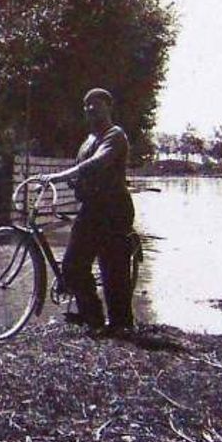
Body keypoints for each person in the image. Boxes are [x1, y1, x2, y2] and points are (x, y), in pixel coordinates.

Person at [39, 88, 136, 335]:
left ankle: (120, 324)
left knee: (113, 268)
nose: (90, 109)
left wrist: (60, 175)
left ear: (108, 106)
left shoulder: (115, 135)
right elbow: (82, 173)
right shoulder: (88, 141)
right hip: (91, 208)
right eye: (86, 105)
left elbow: (97, 163)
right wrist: (66, 182)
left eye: (96, 104)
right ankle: (92, 318)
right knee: (72, 266)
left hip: (114, 208)